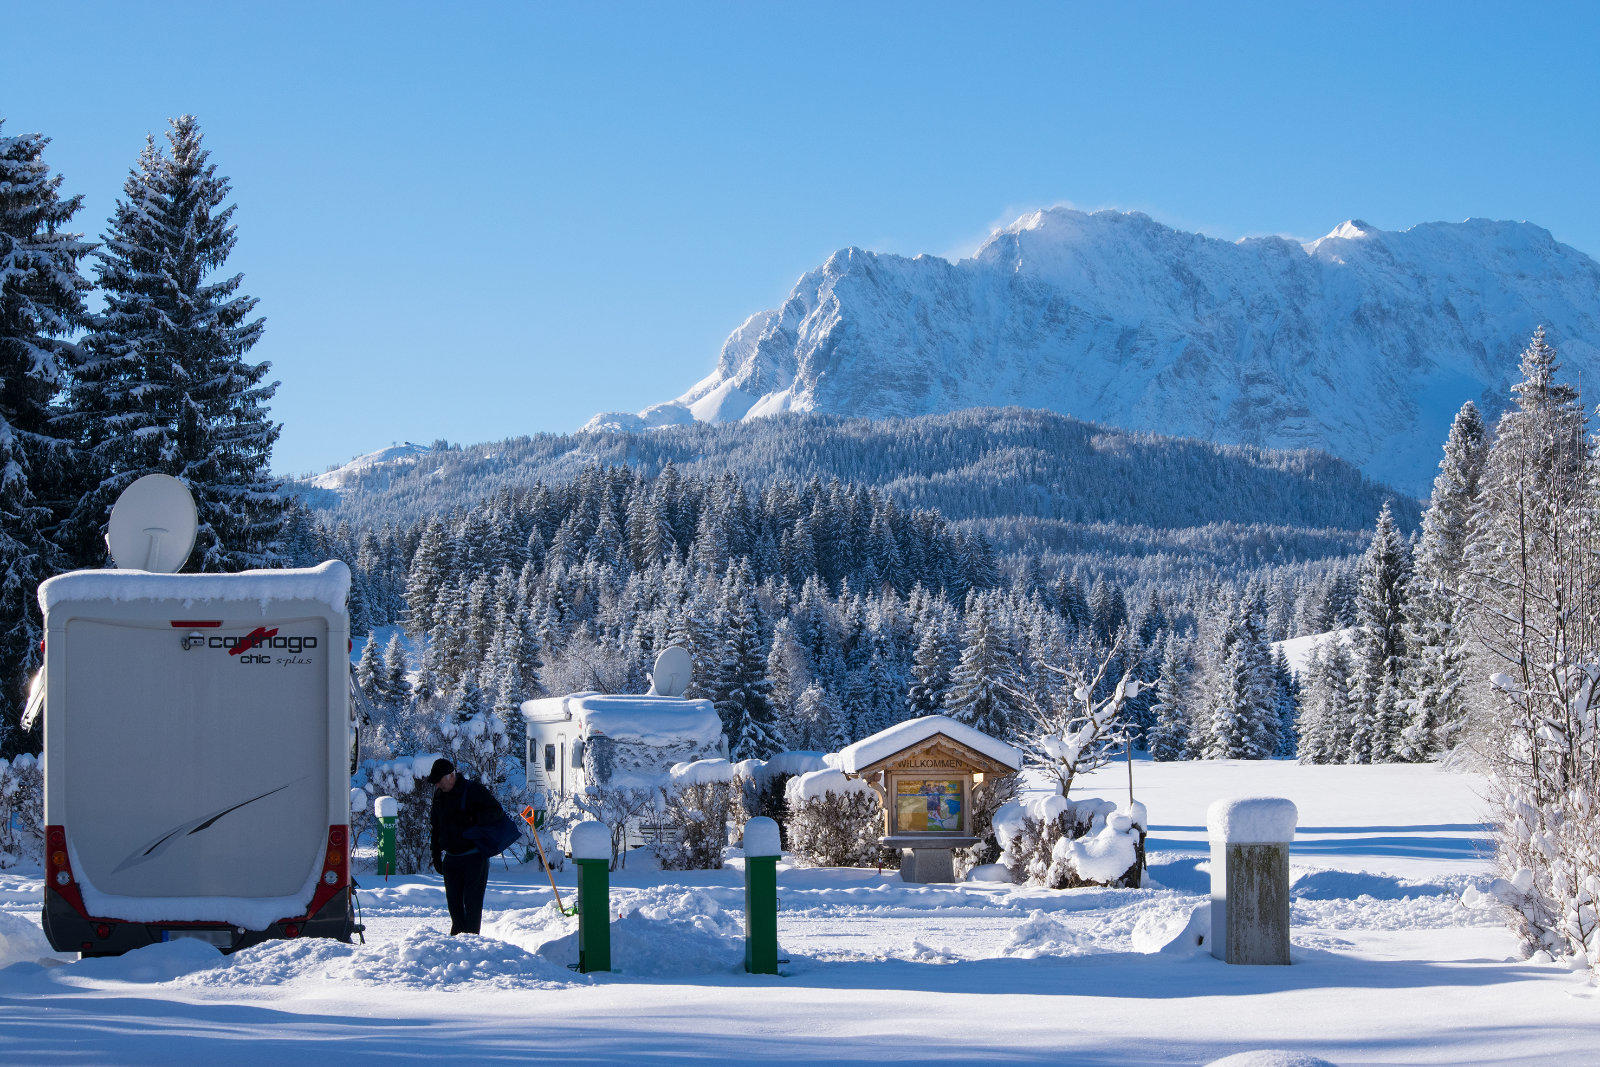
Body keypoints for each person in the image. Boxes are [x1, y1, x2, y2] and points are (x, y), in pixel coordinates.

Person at [426, 757, 506, 935]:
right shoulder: (439, 795)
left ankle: (470, 947)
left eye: (439, 781)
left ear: (451, 776)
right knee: (455, 908)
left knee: (472, 907)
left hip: (474, 857)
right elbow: (436, 827)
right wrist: (436, 855)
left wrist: (472, 819)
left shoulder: (473, 790)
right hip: (451, 859)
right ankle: (457, 947)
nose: (437, 785)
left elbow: (497, 812)